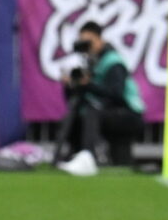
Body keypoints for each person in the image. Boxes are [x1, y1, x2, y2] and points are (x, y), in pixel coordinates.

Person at [58, 21, 143, 168]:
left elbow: (117, 95)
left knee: (91, 114)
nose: (86, 46)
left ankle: (88, 157)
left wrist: (88, 85)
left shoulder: (113, 62)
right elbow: (74, 99)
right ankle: (74, 155)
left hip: (128, 113)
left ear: (99, 39)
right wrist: (71, 85)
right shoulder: (90, 62)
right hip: (108, 112)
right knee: (77, 116)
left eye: (89, 41)